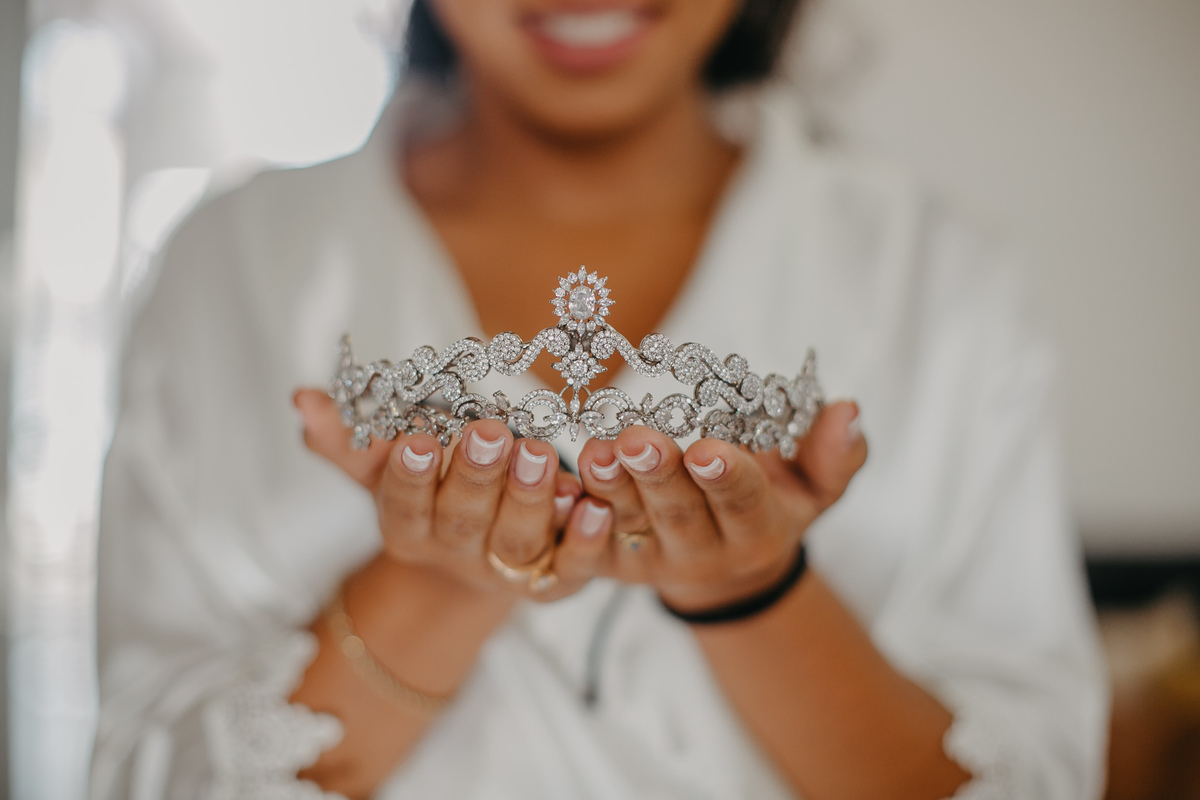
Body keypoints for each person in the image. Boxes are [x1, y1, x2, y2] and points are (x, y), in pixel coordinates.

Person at [90, 1, 1108, 798]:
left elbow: (1032, 779)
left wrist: (752, 590)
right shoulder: (231, 268)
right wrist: (443, 581)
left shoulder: (941, 280)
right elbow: (143, 775)